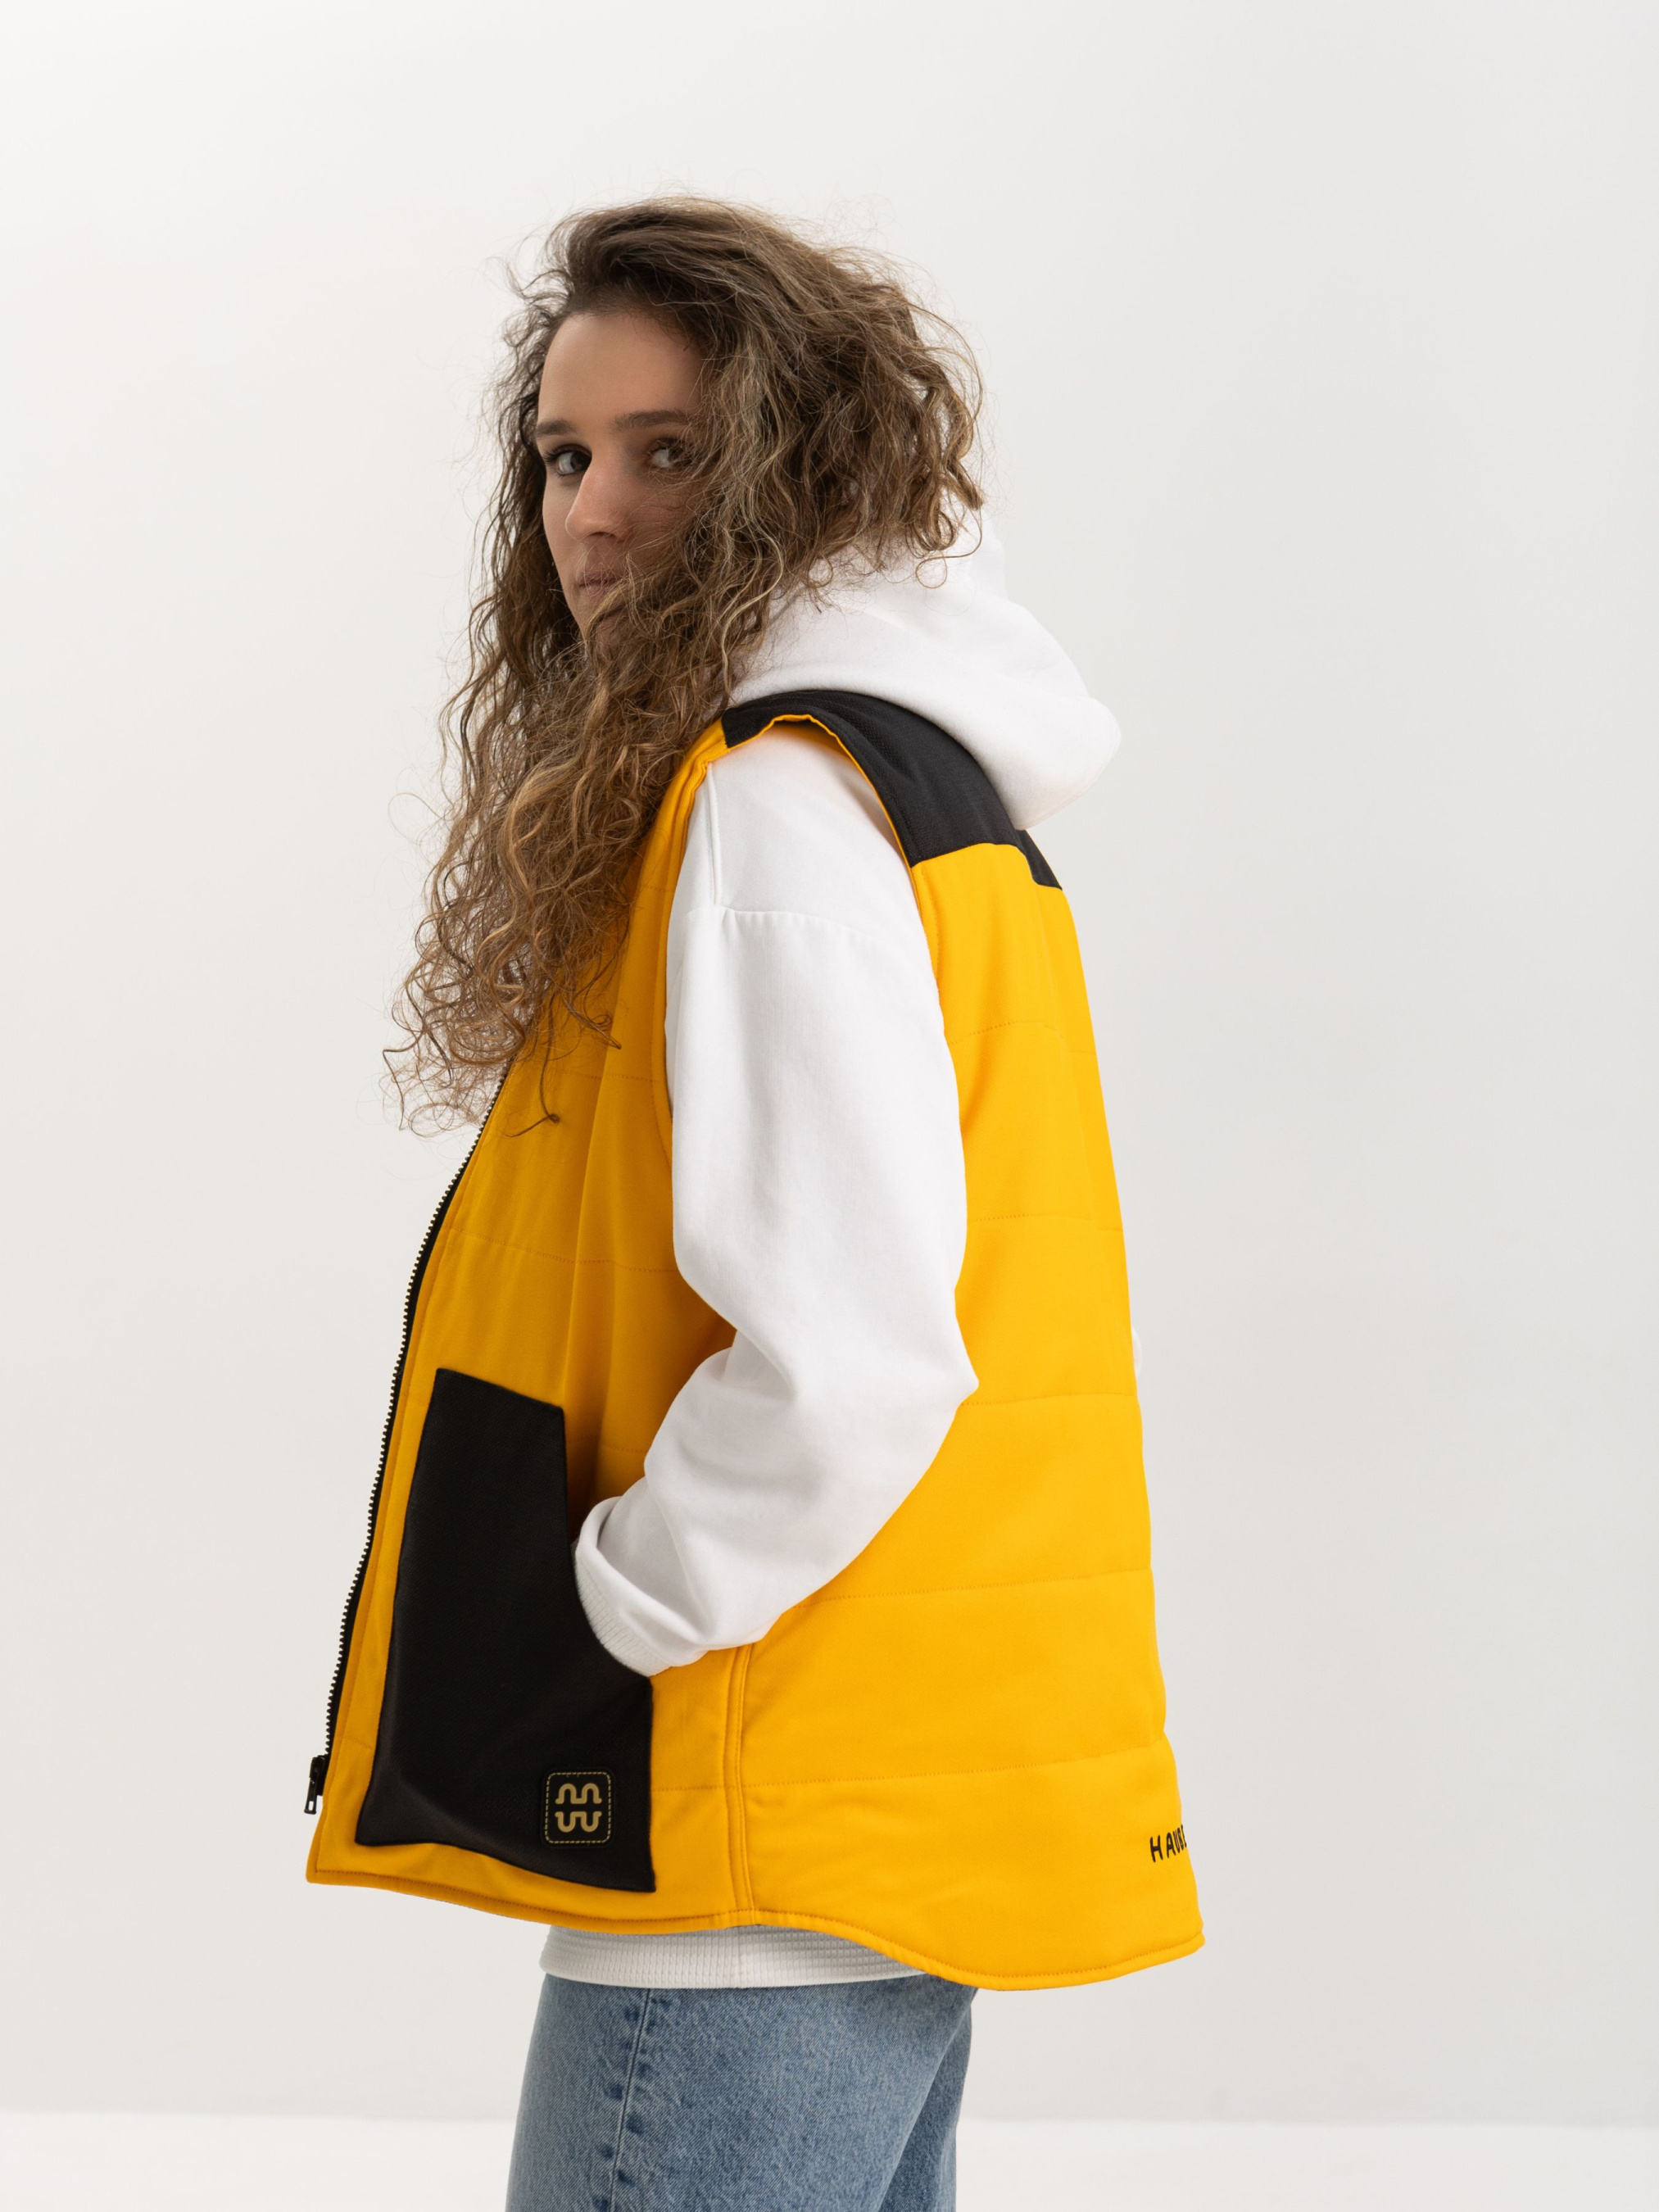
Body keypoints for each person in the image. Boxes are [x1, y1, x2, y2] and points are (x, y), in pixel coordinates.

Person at [304, 197, 1202, 2212]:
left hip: (740, 1832)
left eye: (668, 450)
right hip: (884, 1821)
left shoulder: (775, 806)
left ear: (802, 464)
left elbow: (852, 1357)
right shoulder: (923, 800)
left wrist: (610, 1611)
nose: (592, 513)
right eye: (562, 455)